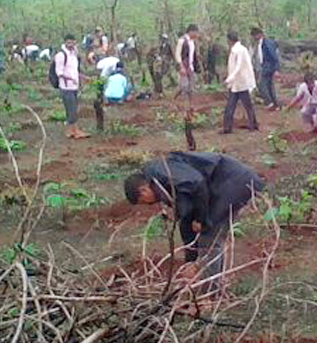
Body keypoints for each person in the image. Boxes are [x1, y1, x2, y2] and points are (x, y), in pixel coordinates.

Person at [124, 152, 264, 282]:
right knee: (209, 238)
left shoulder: (160, 172)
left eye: (143, 202)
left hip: (232, 181)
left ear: (143, 191)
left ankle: (210, 294)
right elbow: (186, 219)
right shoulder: (161, 184)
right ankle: (212, 282)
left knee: (208, 239)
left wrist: (201, 219)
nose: (148, 205)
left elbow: (197, 183)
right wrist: (190, 260)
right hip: (220, 186)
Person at [222, 31, 258, 134]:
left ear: (230, 40)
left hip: (241, 83)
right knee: (233, 105)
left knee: (244, 105)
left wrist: (229, 79)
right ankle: (227, 128)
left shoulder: (240, 50)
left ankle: (253, 125)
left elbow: (238, 67)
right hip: (237, 83)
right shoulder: (237, 50)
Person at [55, 34, 90, 139]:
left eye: (72, 42)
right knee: (71, 109)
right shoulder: (61, 55)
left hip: (74, 87)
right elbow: (59, 72)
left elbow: (74, 71)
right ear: (65, 42)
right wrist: (70, 79)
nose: (70, 45)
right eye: (68, 42)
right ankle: (74, 131)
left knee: (72, 109)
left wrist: (83, 77)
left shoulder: (74, 55)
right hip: (66, 87)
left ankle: (71, 131)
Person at [252, 27, 281, 110]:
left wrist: (276, 69)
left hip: (268, 67)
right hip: (264, 67)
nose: (254, 37)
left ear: (259, 34)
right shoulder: (259, 44)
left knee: (261, 84)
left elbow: (274, 56)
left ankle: (269, 102)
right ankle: (274, 104)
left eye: (255, 35)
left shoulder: (267, 43)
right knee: (269, 86)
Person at [174, 24, 199, 109]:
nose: (196, 34)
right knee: (185, 87)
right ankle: (184, 106)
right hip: (184, 67)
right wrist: (181, 67)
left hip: (190, 67)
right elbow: (177, 55)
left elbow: (193, 56)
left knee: (191, 88)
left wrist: (196, 67)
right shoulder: (182, 41)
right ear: (190, 31)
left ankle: (191, 105)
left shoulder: (192, 42)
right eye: (195, 32)